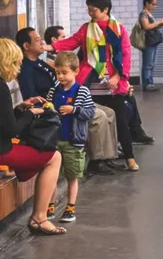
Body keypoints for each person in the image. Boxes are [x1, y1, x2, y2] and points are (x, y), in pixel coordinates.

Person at [47, 0, 139, 171]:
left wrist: (119, 76)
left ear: (106, 9)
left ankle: (129, 157)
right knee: (99, 118)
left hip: (112, 84)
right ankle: (101, 159)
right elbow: (71, 42)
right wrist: (50, 47)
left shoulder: (118, 29)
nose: (91, 14)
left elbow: (126, 54)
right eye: (89, 10)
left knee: (120, 120)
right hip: (90, 83)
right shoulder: (86, 29)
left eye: (94, 10)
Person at [0, 38, 67, 236]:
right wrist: (30, 114)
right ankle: (39, 217)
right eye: (17, 62)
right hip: (2, 150)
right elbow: (10, 131)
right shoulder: (1, 87)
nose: (19, 67)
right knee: (54, 157)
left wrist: (20, 108)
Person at [43, 26, 119, 175]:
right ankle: (97, 160)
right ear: (53, 41)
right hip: (68, 104)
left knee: (110, 113)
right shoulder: (49, 62)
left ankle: (109, 156)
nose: (67, 40)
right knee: (99, 116)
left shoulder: (63, 60)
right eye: (63, 37)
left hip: (77, 96)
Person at [44, 51, 96, 223]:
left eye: (64, 72)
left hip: (73, 141)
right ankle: (49, 205)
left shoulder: (82, 92)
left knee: (72, 176)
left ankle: (70, 208)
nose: (60, 76)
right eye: (57, 73)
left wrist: (73, 110)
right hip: (54, 140)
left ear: (75, 71)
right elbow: (47, 112)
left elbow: (90, 112)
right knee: (51, 175)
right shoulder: (53, 91)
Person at [138, 0, 163, 92]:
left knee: (152, 63)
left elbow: (152, 27)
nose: (155, 6)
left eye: (156, 4)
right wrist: (158, 22)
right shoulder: (144, 14)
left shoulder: (149, 14)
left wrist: (159, 25)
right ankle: (147, 83)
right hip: (148, 42)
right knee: (148, 63)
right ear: (147, 3)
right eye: (153, 4)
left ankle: (150, 82)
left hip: (153, 41)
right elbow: (146, 27)